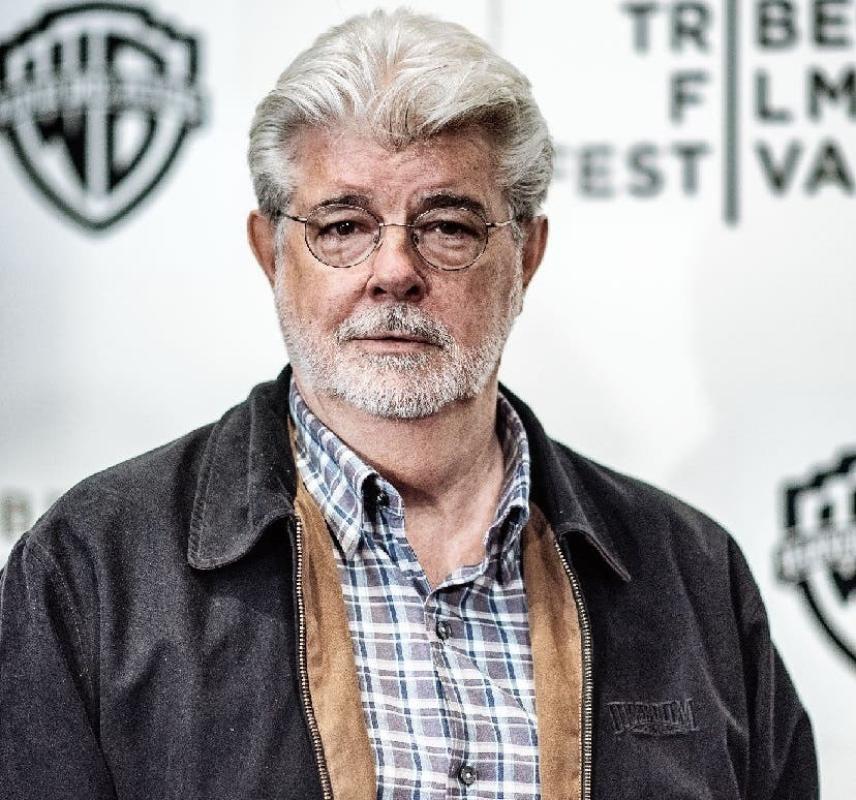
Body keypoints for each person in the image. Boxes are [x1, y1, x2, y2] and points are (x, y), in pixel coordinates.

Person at [0, 9, 817, 800]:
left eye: (448, 226)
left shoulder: (693, 578)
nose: (394, 270)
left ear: (526, 256)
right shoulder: (93, 572)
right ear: (271, 253)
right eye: (342, 226)